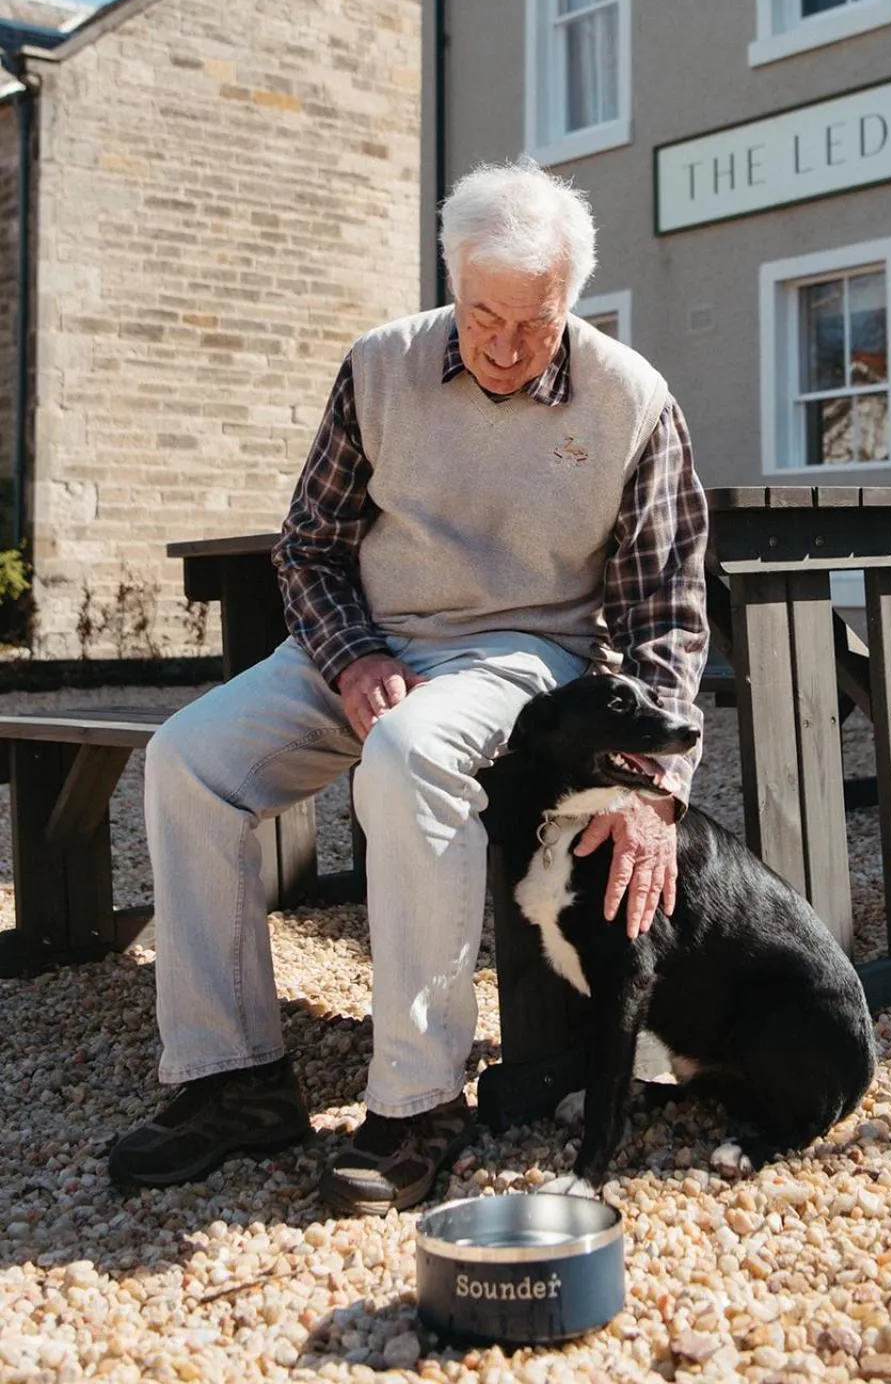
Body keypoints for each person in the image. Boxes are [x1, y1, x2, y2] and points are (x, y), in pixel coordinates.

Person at [108, 159, 709, 1214]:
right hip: (371, 643)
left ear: (573, 297)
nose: (508, 347)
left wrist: (655, 786)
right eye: (485, 316)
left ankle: (419, 1101)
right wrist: (352, 658)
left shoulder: (632, 399)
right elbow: (311, 546)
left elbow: (665, 611)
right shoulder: (380, 365)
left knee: (411, 753)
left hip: (522, 655)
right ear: (451, 277)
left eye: (537, 321)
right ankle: (232, 1078)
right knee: (186, 761)